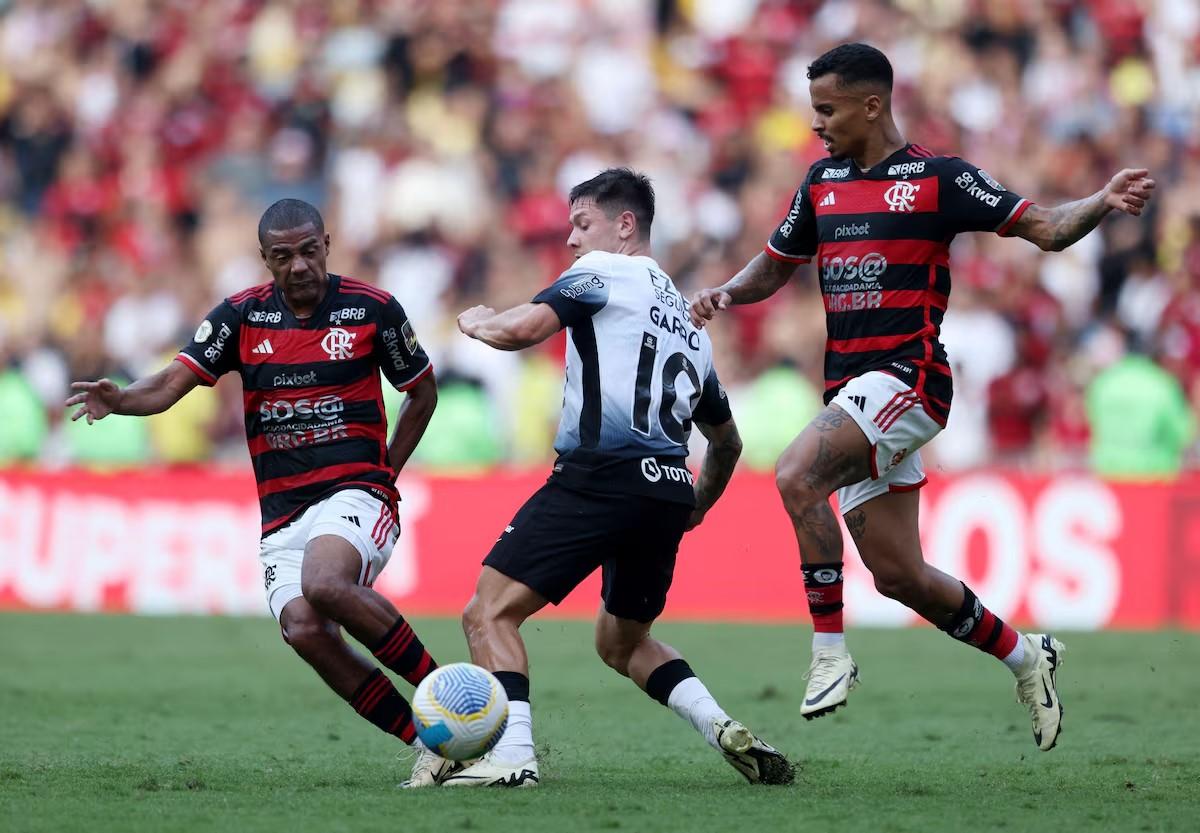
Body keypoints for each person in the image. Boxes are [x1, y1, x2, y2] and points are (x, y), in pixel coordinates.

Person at [689, 43, 1155, 750]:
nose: (816, 123)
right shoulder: (822, 184)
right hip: (852, 392)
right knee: (901, 576)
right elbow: (775, 264)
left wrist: (1102, 200)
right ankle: (1029, 658)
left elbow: (1046, 228)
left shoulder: (939, 180)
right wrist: (728, 290)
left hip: (909, 381)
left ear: (872, 105)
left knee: (794, 475)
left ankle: (829, 654)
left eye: (827, 109)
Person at [66, 199, 457, 787]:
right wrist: (120, 398)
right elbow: (173, 384)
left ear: (326, 244)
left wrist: (385, 475)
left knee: (323, 584)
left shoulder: (373, 309)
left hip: (354, 491)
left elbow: (421, 393)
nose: (298, 265)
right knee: (303, 626)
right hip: (281, 515)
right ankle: (434, 744)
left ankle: (454, 706)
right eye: (283, 256)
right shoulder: (240, 318)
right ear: (265, 260)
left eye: (308, 251)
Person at [448, 168, 794, 787]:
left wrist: (475, 321)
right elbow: (727, 441)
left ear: (625, 225)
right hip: (664, 490)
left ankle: (512, 759)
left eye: (583, 225)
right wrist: (698, 506)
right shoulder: (690, 325)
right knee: (621, 643)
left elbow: (523, 329)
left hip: (598, 476)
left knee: (488, 614)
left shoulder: (603, 274)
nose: (572, 242)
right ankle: (723, 727)